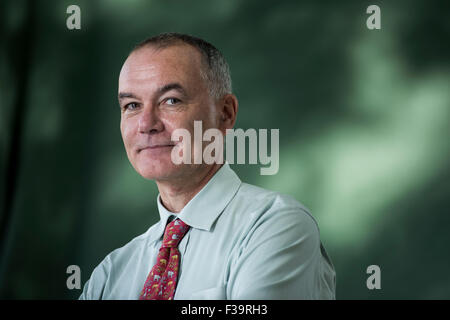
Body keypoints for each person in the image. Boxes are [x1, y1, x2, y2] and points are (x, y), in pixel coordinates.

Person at [79, 32, 336, 300]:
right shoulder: (110, 274)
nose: (146, 124)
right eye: (132, 105)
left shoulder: (277, 227)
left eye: (171, 101)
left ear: (225, 113)